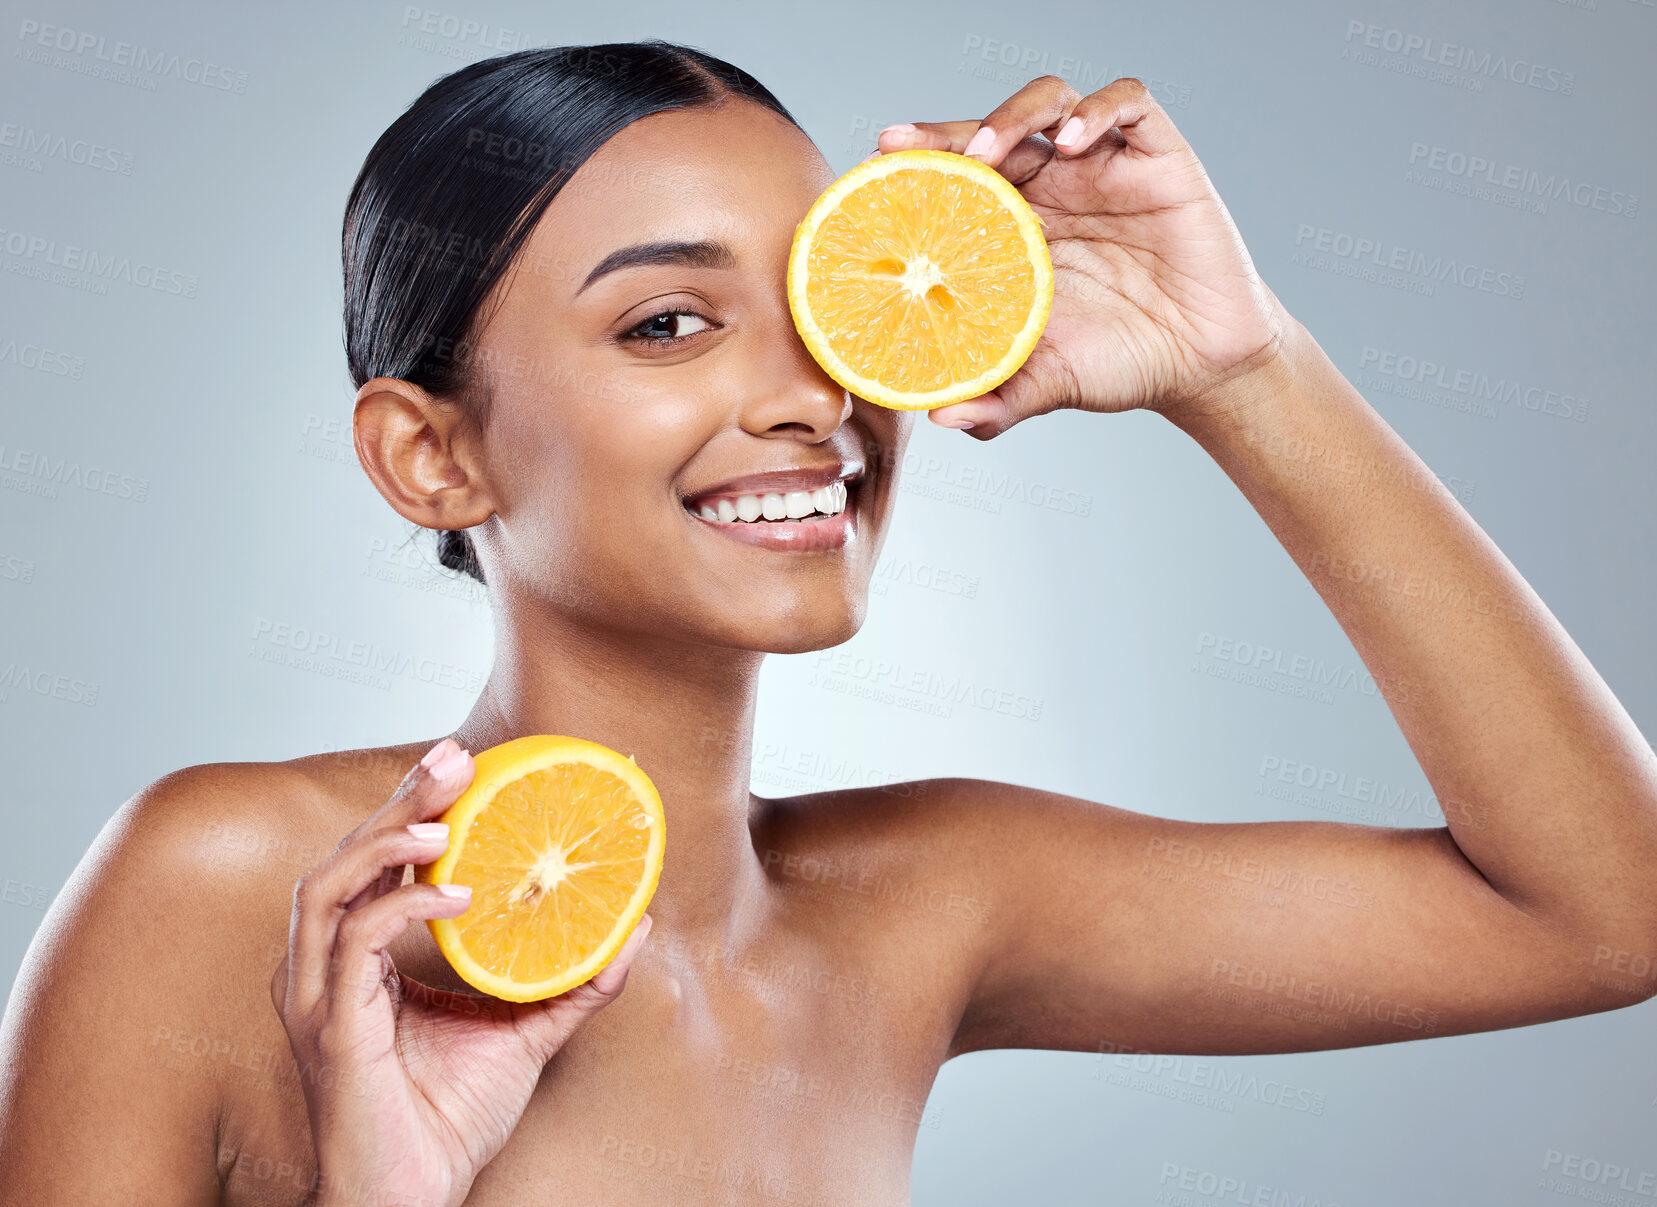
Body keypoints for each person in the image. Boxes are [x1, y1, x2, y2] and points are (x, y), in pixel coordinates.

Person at [2, 38, 1653, 1207]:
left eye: (819, 304)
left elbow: (1604, 913)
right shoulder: (241, 885)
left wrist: (1244, 369)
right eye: (665, 321)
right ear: (430, 455)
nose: (809, 392)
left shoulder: (927, 906)